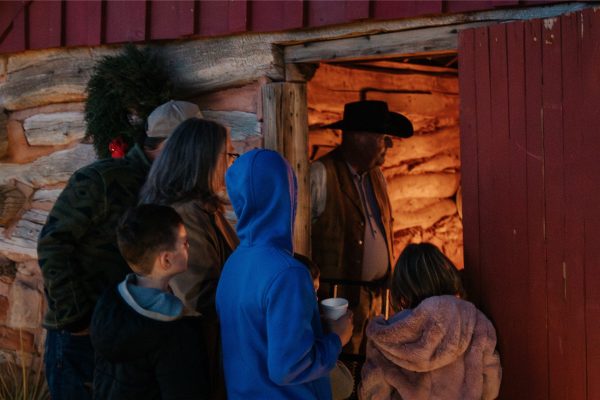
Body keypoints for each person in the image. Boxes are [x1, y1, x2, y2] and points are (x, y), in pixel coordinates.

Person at [37, 100, 201, 399]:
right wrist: (77, 320)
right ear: (173, 145)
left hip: (135, 342)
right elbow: (53, 244)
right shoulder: (103, 179)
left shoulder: (172, 191)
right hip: (83, 339)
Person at [216, 149, 353, 399]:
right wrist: (336, 338)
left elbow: (259, 338)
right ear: (287, 194)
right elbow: (289, 367)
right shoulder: (288, 273)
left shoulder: (235, 263)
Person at [139, 117, 238, 399]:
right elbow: (198, 295)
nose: (231, 163)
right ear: (201, 159)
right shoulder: (185, 216)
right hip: (200, 352)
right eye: (227, 154)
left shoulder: (206, 209)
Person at [311, 100, 414, 354]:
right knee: (345, 371)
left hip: (377, 299)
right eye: (382, 137)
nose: (389, 144)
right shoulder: (321, 174)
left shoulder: (376, 176)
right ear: (357, 138)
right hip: (338, 304)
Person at [91, 204, 210, 399]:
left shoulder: (109, 304)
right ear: (166, 260)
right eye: (184, 242)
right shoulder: (177, 333)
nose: (188, 246)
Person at [359, 243, 502, 400]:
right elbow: (491, 387)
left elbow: (374, 394)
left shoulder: (386, 335)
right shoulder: (475, 322)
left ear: (402, 292)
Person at [294, 253, 355, 400]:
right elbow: (343, 386)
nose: (316, 298)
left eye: (316, 291)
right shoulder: (295, 334)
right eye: (312, 289)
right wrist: (337, 339)